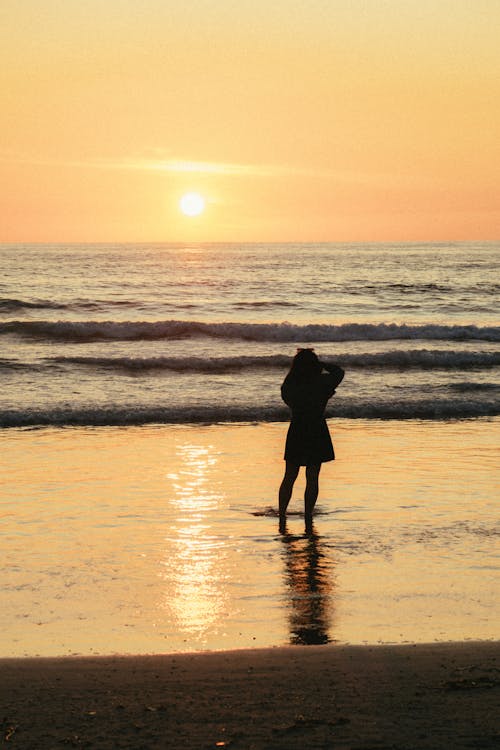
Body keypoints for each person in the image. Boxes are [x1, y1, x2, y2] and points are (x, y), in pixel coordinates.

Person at [278, 348, 344, 531]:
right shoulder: (322, 382)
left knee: (290, 476)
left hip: (298, 428)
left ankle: (282, 515)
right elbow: (339, 372)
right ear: (315, 365)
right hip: (317, 428)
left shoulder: (291, 384)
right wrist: (320, 365)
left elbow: (286, 394)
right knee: (312, 477)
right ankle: (308, 515)